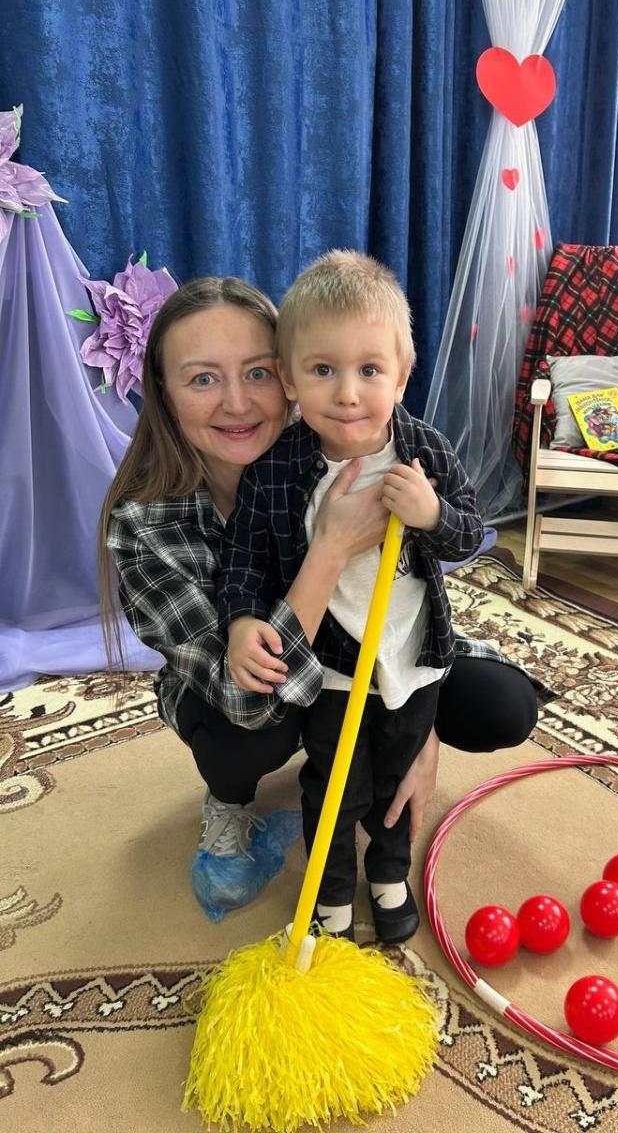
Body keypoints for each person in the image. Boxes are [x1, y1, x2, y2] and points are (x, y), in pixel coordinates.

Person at [100, 274, 539, 924]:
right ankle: (234, 803)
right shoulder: (146, 522)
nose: (237, 403)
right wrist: (330, 549)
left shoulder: (367, 444)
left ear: (282, 375)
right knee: (254, 728)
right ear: (164, 393)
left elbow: (420, 572)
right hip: (254, 691)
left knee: (502, 704)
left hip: (382, 654)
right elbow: (248, 694)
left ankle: (384, 776)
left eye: (256, 373)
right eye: (203, 379)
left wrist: (416, 714)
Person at [220, 251, 483, 943]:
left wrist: (432, 515)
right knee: (336, 784)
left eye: (370, 370)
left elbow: (470, 533)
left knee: (394, 777)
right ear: (289, 379)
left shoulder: (426, 452)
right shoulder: (276, 470)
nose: (347, 394)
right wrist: (242, 621)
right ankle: (332, 890)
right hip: (333, 670)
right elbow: (244, 561)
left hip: (412, 660)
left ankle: (389, 875)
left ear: (402, 375)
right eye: (322, 370)